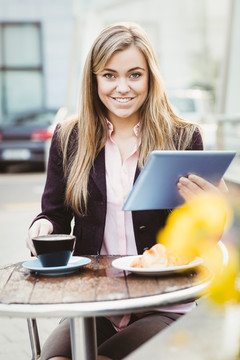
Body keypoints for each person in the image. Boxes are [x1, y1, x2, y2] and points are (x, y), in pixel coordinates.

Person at [26, 22, 227, 360]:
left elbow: (201, 238)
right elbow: (55, 216)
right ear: (94, 79)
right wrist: (42, 226)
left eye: (135, 75)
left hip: (162, 303)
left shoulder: (182, 138)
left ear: (150, 78)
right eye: (109, 75)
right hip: (94, 303)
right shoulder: (68, 138)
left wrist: (213, 211)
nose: (122, 87)